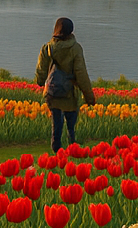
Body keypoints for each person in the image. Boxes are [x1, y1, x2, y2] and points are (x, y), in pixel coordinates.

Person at [36, 17, 95, 150]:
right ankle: (72, 147)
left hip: (52, 92)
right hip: (69, 92)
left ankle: (56, 149)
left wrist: (40, 81)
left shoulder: (47, 48)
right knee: (71, 123)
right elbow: (81, 73)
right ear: (70, 31)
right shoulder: (75, 48)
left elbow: (41, 69)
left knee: (56, 123)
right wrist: (89, 96)